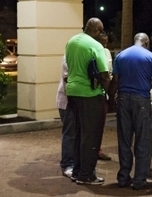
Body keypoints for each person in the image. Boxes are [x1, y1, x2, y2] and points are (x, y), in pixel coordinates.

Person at [108, 33, 152, 190]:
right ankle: (140, 179)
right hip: (142, 100)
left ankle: (123, 177)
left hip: (123, 99)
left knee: (124, 140)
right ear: (146, 42)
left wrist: (111, 99)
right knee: (143, 140)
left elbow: (115, 80)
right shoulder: (150, 57)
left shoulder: (121, 55)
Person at [65, 17, 110, 185]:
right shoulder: (95, 45)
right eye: (101, 31)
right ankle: (87, 174)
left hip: (72, 92)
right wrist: (108, 94)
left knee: (78, 134)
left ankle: (77, 171)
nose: (102, 34)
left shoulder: (71, 41)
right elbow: (104, 75)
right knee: (91, 136)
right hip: (89, 94)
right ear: (96, 30)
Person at [56, 55, 75, 178]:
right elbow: (68, 78)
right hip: (67, 102)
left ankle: (74, 163)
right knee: (70, 133)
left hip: (75, 101)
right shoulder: (68, 57)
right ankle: (67, 164)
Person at [97, 33, 112, 161]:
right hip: (95, 92)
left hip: (105, 92)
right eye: (102, 41)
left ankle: (98, 149)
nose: (105, 44)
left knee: (101, 123)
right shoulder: (93, 50)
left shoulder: (107, 52)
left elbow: (109, 72)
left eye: (106, 42)